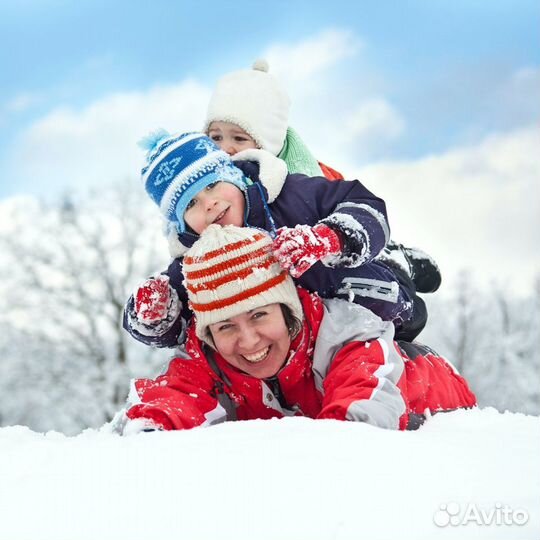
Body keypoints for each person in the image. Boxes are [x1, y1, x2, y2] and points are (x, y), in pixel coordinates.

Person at [120, 225, 476, 435]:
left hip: (438, 412)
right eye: (225, 325)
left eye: (259, 315)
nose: (248, 340)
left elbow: (360, 418)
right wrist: (150, 432)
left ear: (288, 309)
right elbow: (175, 397)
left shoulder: (348, 339)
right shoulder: (211, 358)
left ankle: (395, 259)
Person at [124, 131, 426, 350]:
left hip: (372, 297)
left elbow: (361, 202)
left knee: (407, 313)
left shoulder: (290, 197)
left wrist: (328, 238)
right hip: (313, 344)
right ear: (181, 223)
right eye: (190, 205)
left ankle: (397, 258)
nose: (210, 204)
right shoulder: (197, 261)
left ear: (235, 176)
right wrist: (154, 314)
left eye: (214, 185)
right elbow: (174, 323)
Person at [203, 60, 441, 293]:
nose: (225, 148)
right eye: (216, 137)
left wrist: (330, 238)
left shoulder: (304, 179)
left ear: (269, 142)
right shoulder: (206, 187)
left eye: (239, 138)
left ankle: (393, 259)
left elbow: (356, 208)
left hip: (332, 257)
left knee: (387, 290)